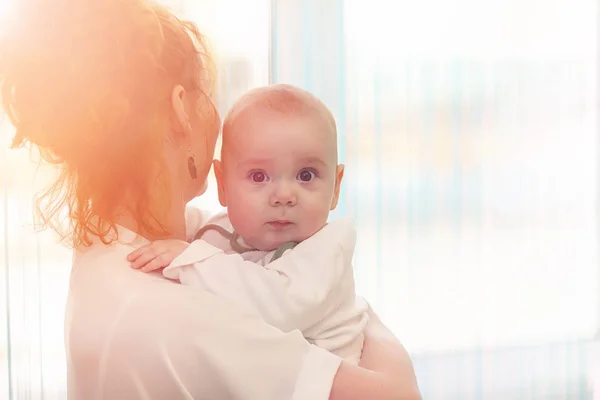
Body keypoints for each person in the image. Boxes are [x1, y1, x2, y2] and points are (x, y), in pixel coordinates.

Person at [0, 0, 421, 399]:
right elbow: (400, 395)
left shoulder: (109, 246)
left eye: (306, 174)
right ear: (182, 108)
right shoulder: (176, 316)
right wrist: (360, 311)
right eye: (209, 95)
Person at [128, 84, 369, 364]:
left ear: (336, 188)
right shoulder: (230, 228)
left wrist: (191, 260)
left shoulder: (328, 249)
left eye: (306, 175)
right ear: (223, 184)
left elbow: (279, 305)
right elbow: (204, 231)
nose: (284, 196)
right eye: (258, 176)